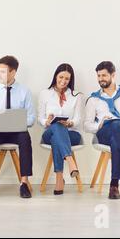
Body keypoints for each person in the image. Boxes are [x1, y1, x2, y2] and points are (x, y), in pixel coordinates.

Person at [84, 61, 120, 200]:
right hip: (104, 132)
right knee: (114, 124)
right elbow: (86, 124)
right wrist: (99, 125)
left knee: (116, 139)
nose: (100, 79)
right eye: (98, 76)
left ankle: (114, 185)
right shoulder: (93, 99)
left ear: (113, 75)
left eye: (104, 75)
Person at [0, 55, 35, 199]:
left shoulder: (25, 91)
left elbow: (31, 118)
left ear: (13, 72)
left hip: (17, 131)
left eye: (2, 71)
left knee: (25, 138)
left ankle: (24, 183)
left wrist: (17, 123)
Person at [38, 63, 83, 195]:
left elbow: (78, 119)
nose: (63, 81)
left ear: (71, 80)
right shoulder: (45, 94)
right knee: (56, 126)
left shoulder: (77, 96)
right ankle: (70, 160)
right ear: (55, 76)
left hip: (71, 134)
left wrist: (69, 123)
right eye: (61, 77)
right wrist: (46, 121)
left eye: (67, 79)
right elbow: (40, 118)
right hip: (49, 132)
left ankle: (59, 179)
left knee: (57, 137)